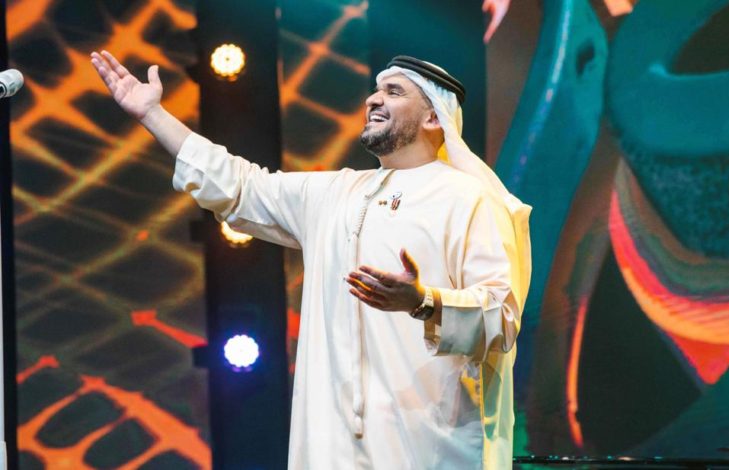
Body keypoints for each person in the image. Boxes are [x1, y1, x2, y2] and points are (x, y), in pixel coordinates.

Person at [90, 50, 531, 470]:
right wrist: (153, 115)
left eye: (394, 92)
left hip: (426, 444)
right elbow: (239, 185)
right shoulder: (336, 193)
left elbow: (501, 316)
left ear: (434, 117)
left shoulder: (469, 198)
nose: (373, 99)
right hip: (332, 444)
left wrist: (422, 302)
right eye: (376, 90)